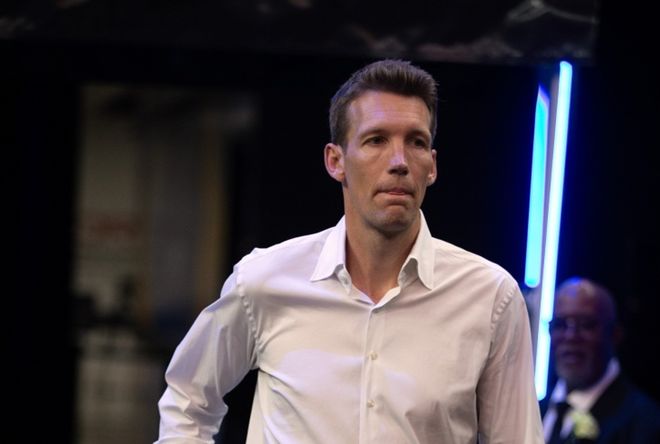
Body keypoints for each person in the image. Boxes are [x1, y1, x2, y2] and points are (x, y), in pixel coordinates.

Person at [155, 59, 543, 443]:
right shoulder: (265, 280)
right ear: (335, 161)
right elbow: (187, 401)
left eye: (416, 142)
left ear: (432, 166)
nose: (399, 162)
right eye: (376, 140)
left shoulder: (489, 298)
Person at [541, 277, 660, 443]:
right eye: (560, 324)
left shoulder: (645, 423)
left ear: (615, 334)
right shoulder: (533, 409)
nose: (571, 336)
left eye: (586, 324)